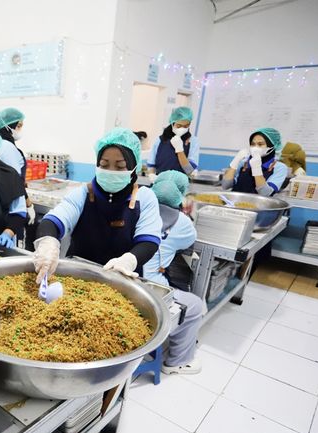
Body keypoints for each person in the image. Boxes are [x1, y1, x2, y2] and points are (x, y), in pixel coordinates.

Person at [33, 127, 162, 282]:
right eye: (104, 165)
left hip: (122, 279)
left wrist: (129, 260)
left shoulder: (144, 197)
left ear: (133, 167)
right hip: (77, 276)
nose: (111, 171)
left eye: (120, 166)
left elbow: (148, 241)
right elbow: (53, 221)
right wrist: (48, 243)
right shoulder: (84, 193)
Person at [143, 170, 203, 374]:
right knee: (195, 305)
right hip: (149, 288)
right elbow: (187, 241)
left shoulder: (136, 208)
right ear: (181, 194)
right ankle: (177, 362)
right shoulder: (182, 223)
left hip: (122, 275)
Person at [0, 107, 36, 226]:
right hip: (10, 204)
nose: (20, 130)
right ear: (8, 126)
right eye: (18, 126)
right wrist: (28, 204)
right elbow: (15, 180)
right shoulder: (7, 147)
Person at [221, 127, 288, 196]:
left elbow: (265, 193)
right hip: (235, 201)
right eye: (253, 144)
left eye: (260, 144)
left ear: (272, 146)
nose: (255, 147)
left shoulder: (279, 168)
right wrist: (236, 161)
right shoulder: (244, 163)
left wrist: (256, 168)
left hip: (258, 203)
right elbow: (225, 186)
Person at [146, 107, 200, 179]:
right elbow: (151, 165)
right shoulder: (160, 140)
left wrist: (180, 150)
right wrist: (152, 175)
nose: (182, 129)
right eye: (179, 125)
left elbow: (189, 170)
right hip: (160, 182)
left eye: (186, 126)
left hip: (181, 184)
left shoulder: (193, 141)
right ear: (172, 123)